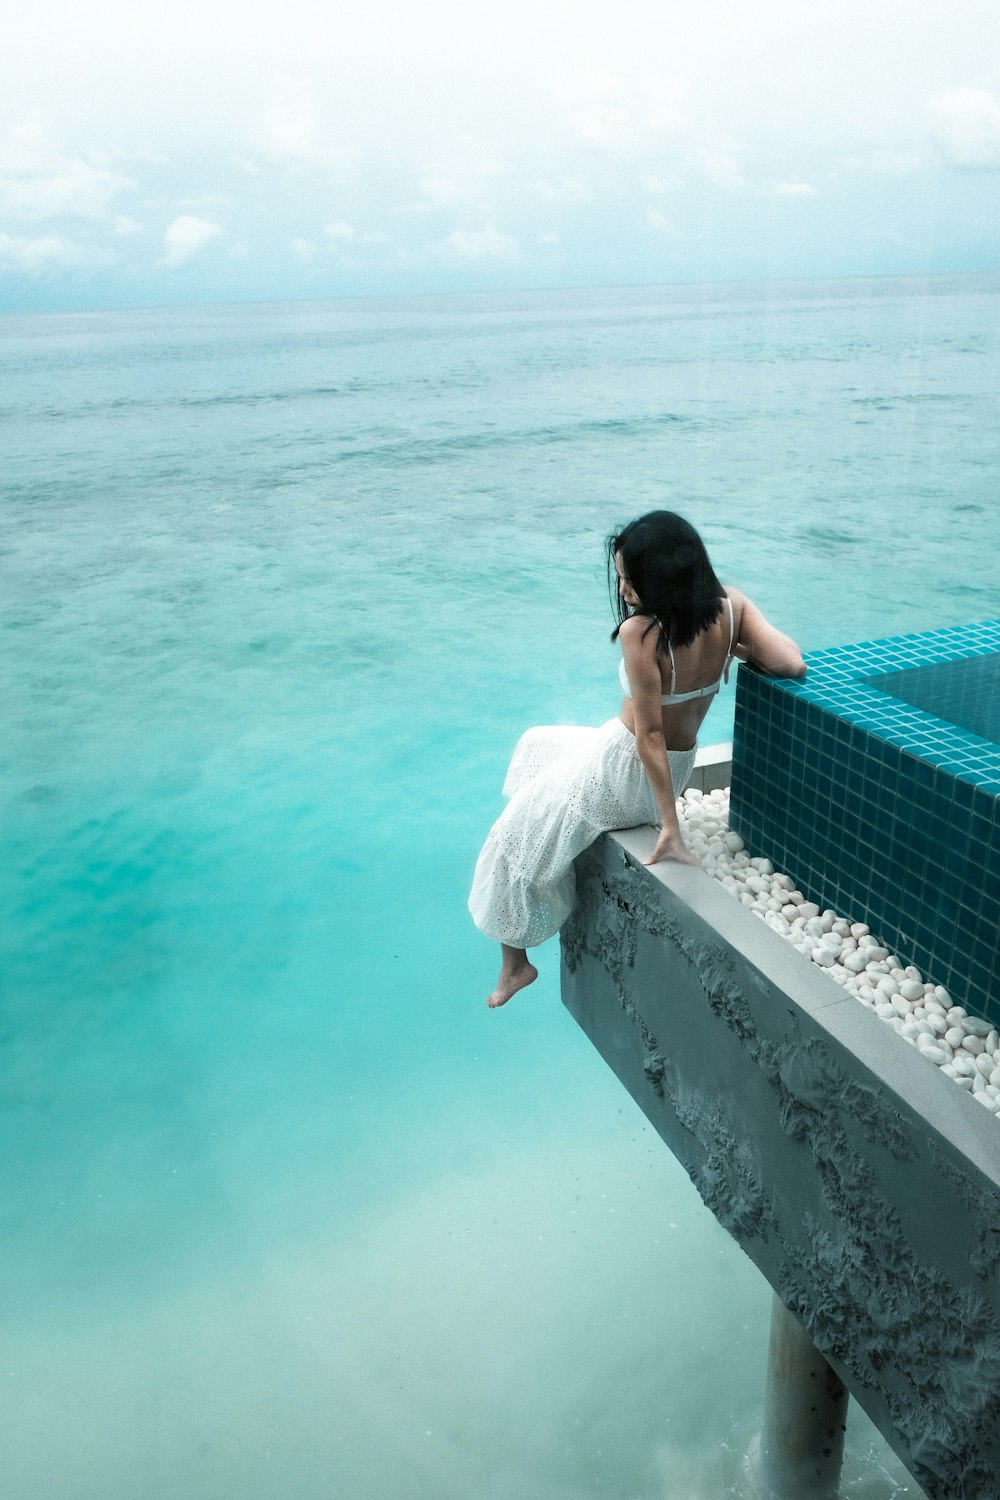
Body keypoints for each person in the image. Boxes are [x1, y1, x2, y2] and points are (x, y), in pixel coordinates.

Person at [469, 511, 806, 1009]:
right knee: (538, 744)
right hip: (669, 761)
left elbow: (648, 734)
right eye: (623, 577)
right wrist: (734, 647)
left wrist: (669, 825)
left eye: (633, 579)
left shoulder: (642, 634)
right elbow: (790, 662)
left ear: (665, 579)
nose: (624, 590)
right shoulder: (731, 608)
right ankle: (554, 822)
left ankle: (515, 965)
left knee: (510, 833)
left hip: (628, 770)